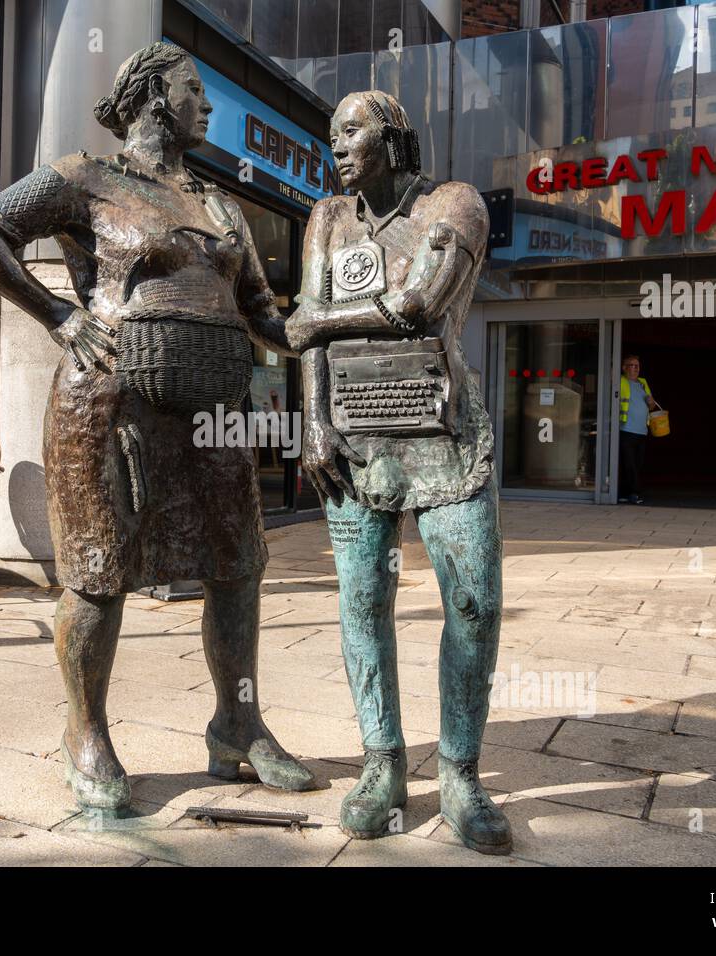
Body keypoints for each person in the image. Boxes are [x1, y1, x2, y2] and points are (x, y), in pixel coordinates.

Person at [0, 42, 314, 814]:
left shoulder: (221, 207)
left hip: (213, 410)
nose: (207, 105)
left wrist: (332, 328)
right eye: (194, 89)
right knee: (99, 573)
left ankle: (238, 725)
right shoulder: (87, 177)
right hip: (108, 403)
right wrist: (57, 315)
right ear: (154, 95)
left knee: (238, 564)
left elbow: (262, 316)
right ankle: (86, 734)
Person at [286, 91, 510, 853]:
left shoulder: (456, 202)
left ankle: (461, 774)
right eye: (331, 136)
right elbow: (305, 330)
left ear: (395, 136)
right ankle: (382, 764)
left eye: (351, 132)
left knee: (474, 604)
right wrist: (313, 422)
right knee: (362, 601)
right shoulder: (327, 217)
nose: (337, 147)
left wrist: (315, 320)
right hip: (354, 439)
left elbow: (421, 302)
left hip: (443, 436)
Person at [618, 354, 660, 505]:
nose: (635, 368)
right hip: (626, 429)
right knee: (629, 464)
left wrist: (651, 402)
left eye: (637, 366)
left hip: (642, 430)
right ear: (624, 368)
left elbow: (652, 406)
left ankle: (623, 493)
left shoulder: (643, 383)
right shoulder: (620, 381)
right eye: (631, 365)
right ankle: (635, 493)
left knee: (635, 464)